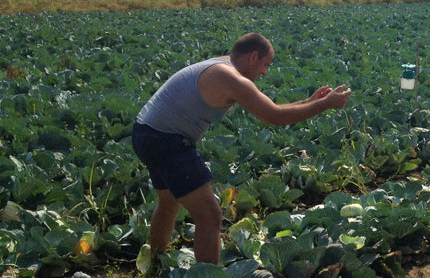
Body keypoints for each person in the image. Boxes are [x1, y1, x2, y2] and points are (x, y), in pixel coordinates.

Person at [131, 32, 352, 265]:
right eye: (265, 64)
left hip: (146, 132)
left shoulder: (223, 67)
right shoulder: (230, 78)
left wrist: (311, 102)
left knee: (169, 203)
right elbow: (273, 116)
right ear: (253, 56)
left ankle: (155, 263)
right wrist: (325, 105)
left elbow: (271, 107)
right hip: (167, 141)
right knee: (209, 216)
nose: (265, 72)